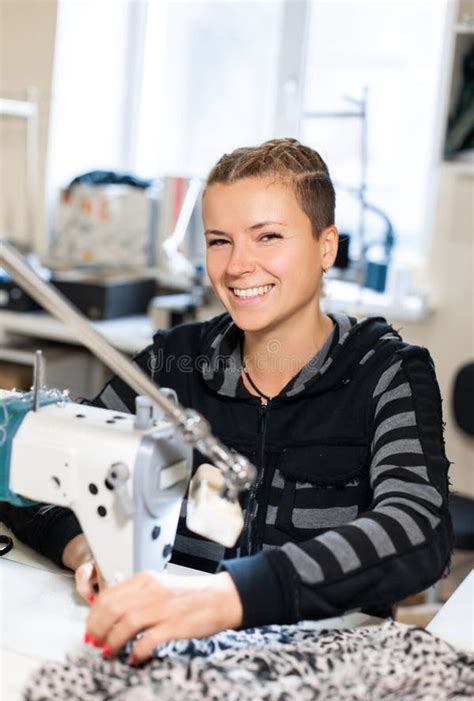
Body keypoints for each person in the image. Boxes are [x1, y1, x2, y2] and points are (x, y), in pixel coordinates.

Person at [0, 138, 452, 665]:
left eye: (268, 237)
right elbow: (31, 476)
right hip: (170, 654)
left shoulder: (387, 370)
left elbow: (418, 529)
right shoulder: (174, 362)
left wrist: (226, 597)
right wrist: (87, 547)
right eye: (219, 241)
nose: (238, 266)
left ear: (326, 246)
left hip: (324, 661)